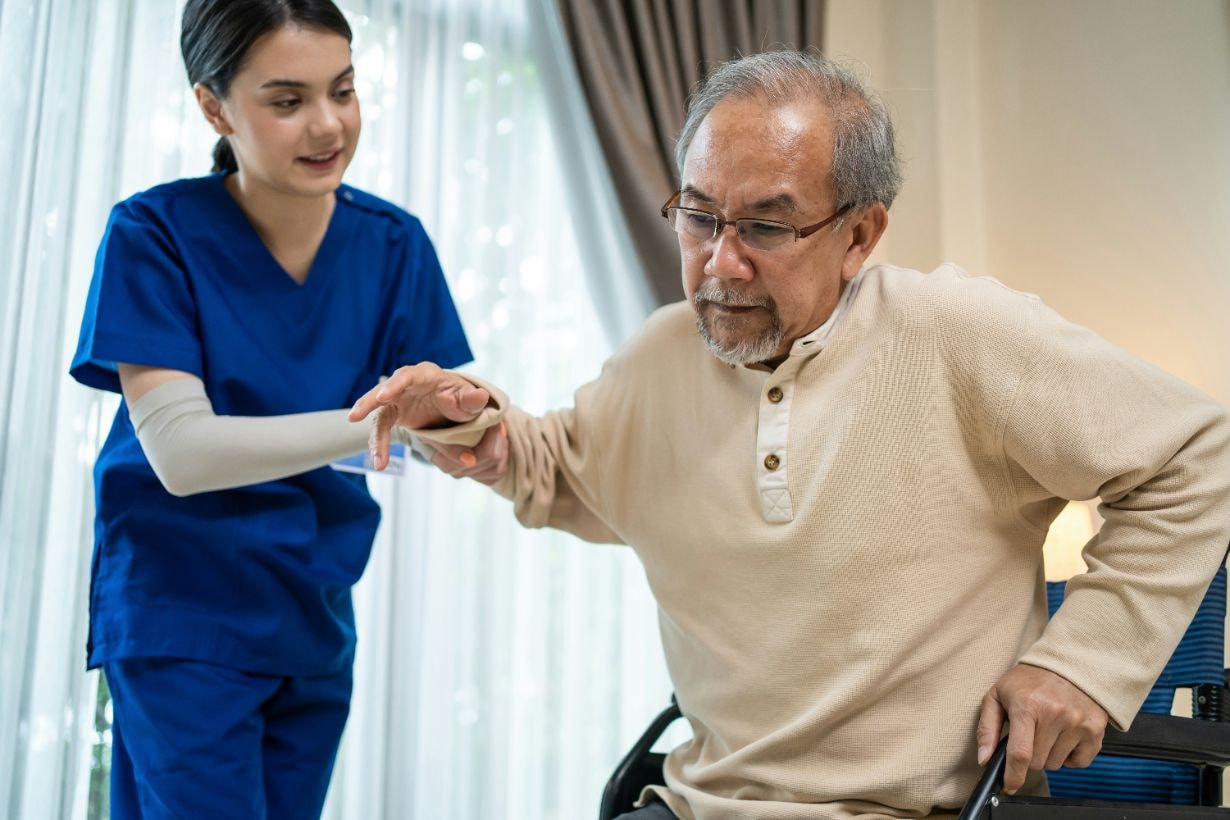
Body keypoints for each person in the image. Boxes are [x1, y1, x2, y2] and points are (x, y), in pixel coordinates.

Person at [351, 50, 1230, 819]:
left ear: (860, 233)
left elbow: (1200, 454)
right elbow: (557, 467)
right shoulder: (662, 356)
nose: (720, 264)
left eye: (766, 227)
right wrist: (469, 420)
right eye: (699, 217)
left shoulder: (956, 335)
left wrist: (1082, 664)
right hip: (697, 806)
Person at [68, 1, 472, 817]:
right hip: (182, 613)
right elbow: (184, 456)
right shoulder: (154, 234)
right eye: (287, 101)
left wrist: (468, 418)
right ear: (213, 106)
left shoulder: (394, 246)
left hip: (314, 614)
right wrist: (394, 420)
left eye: (344, 90)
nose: (328, 125)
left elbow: (442, 433)